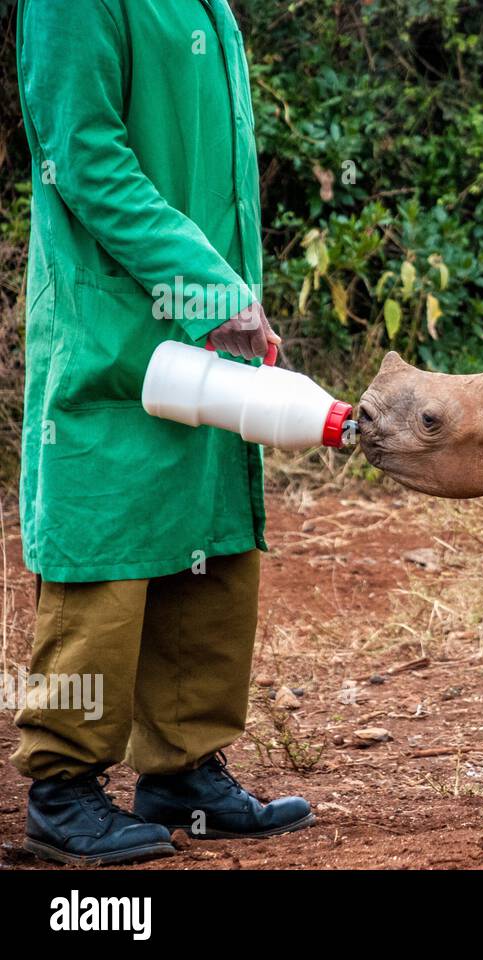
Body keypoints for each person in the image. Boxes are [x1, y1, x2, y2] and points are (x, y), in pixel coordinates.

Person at [13, 0, 313, 865]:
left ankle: (183, 771)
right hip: (112, 326)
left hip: (207, 314)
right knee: (105, 538)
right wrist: (208, 287)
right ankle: (62, 790)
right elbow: (85, 157)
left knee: (205, 531)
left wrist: (223, 292)